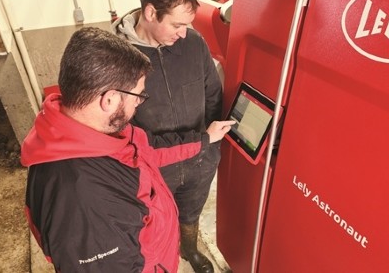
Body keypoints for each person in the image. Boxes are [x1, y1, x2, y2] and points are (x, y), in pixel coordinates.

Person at [21, 27, 233, 273]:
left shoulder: (97, 133)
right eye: (137, 96)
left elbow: (149, 149)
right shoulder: (82, 202)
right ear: (109, 99)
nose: (138, 103)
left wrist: (205, 139)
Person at [113, 0, 223, 273]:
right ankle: (164, 261)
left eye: (188, 24)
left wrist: (211, 149)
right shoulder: (118, 57)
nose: (184, 33)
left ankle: (189, 248)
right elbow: (119, 128)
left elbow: (213, 94)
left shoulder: (193, 43)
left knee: (191, 213)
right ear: (151, 12)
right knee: (153, 224)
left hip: (200, 159)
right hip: (154, 168)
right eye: (177, 24)